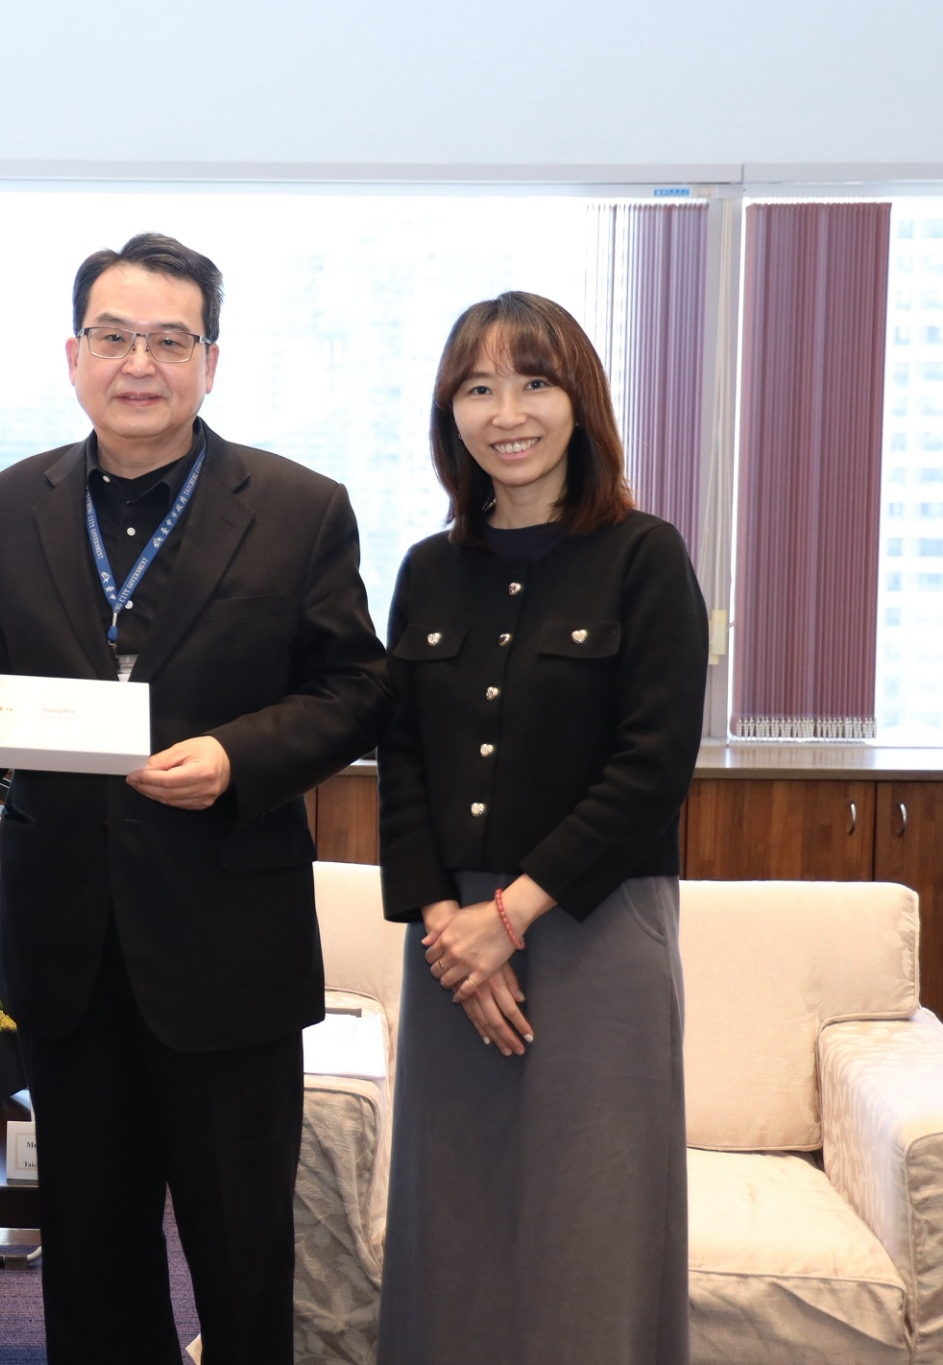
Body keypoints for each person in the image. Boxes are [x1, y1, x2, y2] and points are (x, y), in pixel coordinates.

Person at [0, 233, 391, 1363]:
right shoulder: (7, 503)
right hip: (67, 946)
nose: (138, 363)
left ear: (209, 361)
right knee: (92, 1255)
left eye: (168, 341)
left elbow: (354, 691)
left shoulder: (298, 506)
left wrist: (237, 757)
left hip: (226, 944)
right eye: (113, 337)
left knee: (241, 1256)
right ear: (73, 354)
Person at [376, 291, 707, 1364]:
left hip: (594, 926)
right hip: (449, 943)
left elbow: (650, 768)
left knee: (592, 1216)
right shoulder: (427, 570)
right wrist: (448, 923)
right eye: (477, 388)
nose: (505, 413)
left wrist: (506, 918)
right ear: (450, 413)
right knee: (450, 1214)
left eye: (533, 383)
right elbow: (403, 764)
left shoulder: (644, 556)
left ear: (580, 403)